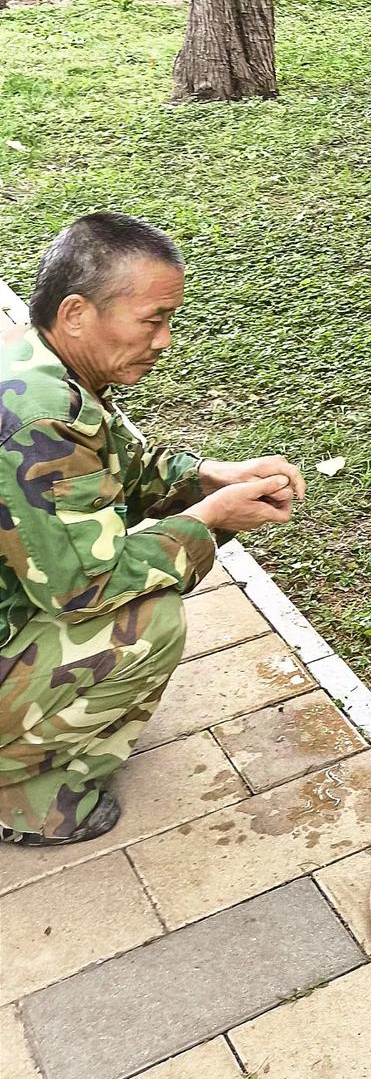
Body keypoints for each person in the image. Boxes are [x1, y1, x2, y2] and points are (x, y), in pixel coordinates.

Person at [0, 213, 305, 847]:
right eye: (153, 320)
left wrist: (211, 478)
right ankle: (21, 795)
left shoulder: (41, 367)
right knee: (145, 625)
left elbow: (118, 469)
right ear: (78, 313)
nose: (164, 340)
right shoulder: (39, 418)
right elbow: (86, 588)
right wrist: (209, 522)